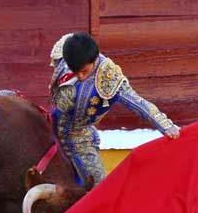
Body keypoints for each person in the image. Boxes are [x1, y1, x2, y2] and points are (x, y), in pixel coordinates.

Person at [49, 32, 180, 186]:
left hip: (79, 138)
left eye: (84, 71)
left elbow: (137, 102)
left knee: (98, 187)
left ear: (95, 59)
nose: (81, 76)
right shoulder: (69, 55)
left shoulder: (108, 77)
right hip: (51, 127)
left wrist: (165, 125)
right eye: (76, 71)